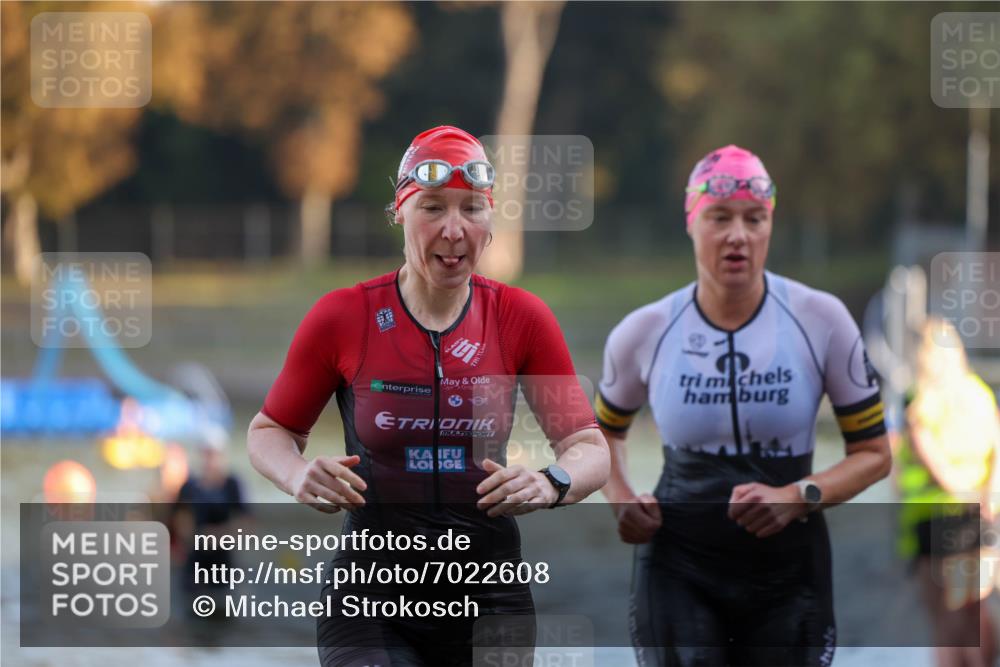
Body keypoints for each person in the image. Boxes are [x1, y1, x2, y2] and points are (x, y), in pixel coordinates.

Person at [247, 126, 609, 667]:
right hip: (370, 599)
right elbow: (268, 431)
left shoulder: (520, 318)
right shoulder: (345, 317)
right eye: (433, 207)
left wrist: (550, 482)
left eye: (472, 209)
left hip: (491, 598)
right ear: (400, 212)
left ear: (491, 221)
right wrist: (297, 475)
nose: (454, 230)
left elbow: (590, 448)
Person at [595, 145, 892, 667]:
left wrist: (799, 495)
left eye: (755, 219)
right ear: (691, 222)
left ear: (770, 226)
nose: (738, 235)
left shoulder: (822, 320)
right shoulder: (643, 332)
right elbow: (600, 436)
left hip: (788, 574)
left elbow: (875, 454)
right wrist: (620, 499)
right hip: (679, 568)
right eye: (719, 217)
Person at [894, 318, 998, 667]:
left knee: (946, 620)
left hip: (937, 518)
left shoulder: (919, 400)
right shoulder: (979, 392)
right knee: (975, 611)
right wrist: (988, 496)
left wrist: (966, 494)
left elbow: (930, 460)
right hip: (979, 514)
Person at [173, 425, 249, 606]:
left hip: (223, 562)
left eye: (213, 454)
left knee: (222, 606)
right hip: (195, 560)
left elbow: (246, 524)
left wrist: (219, 536)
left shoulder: (232, 484)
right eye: (206, 453)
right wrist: (192, 537)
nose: (209, 459)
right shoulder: (190, 486)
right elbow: (178, 519)